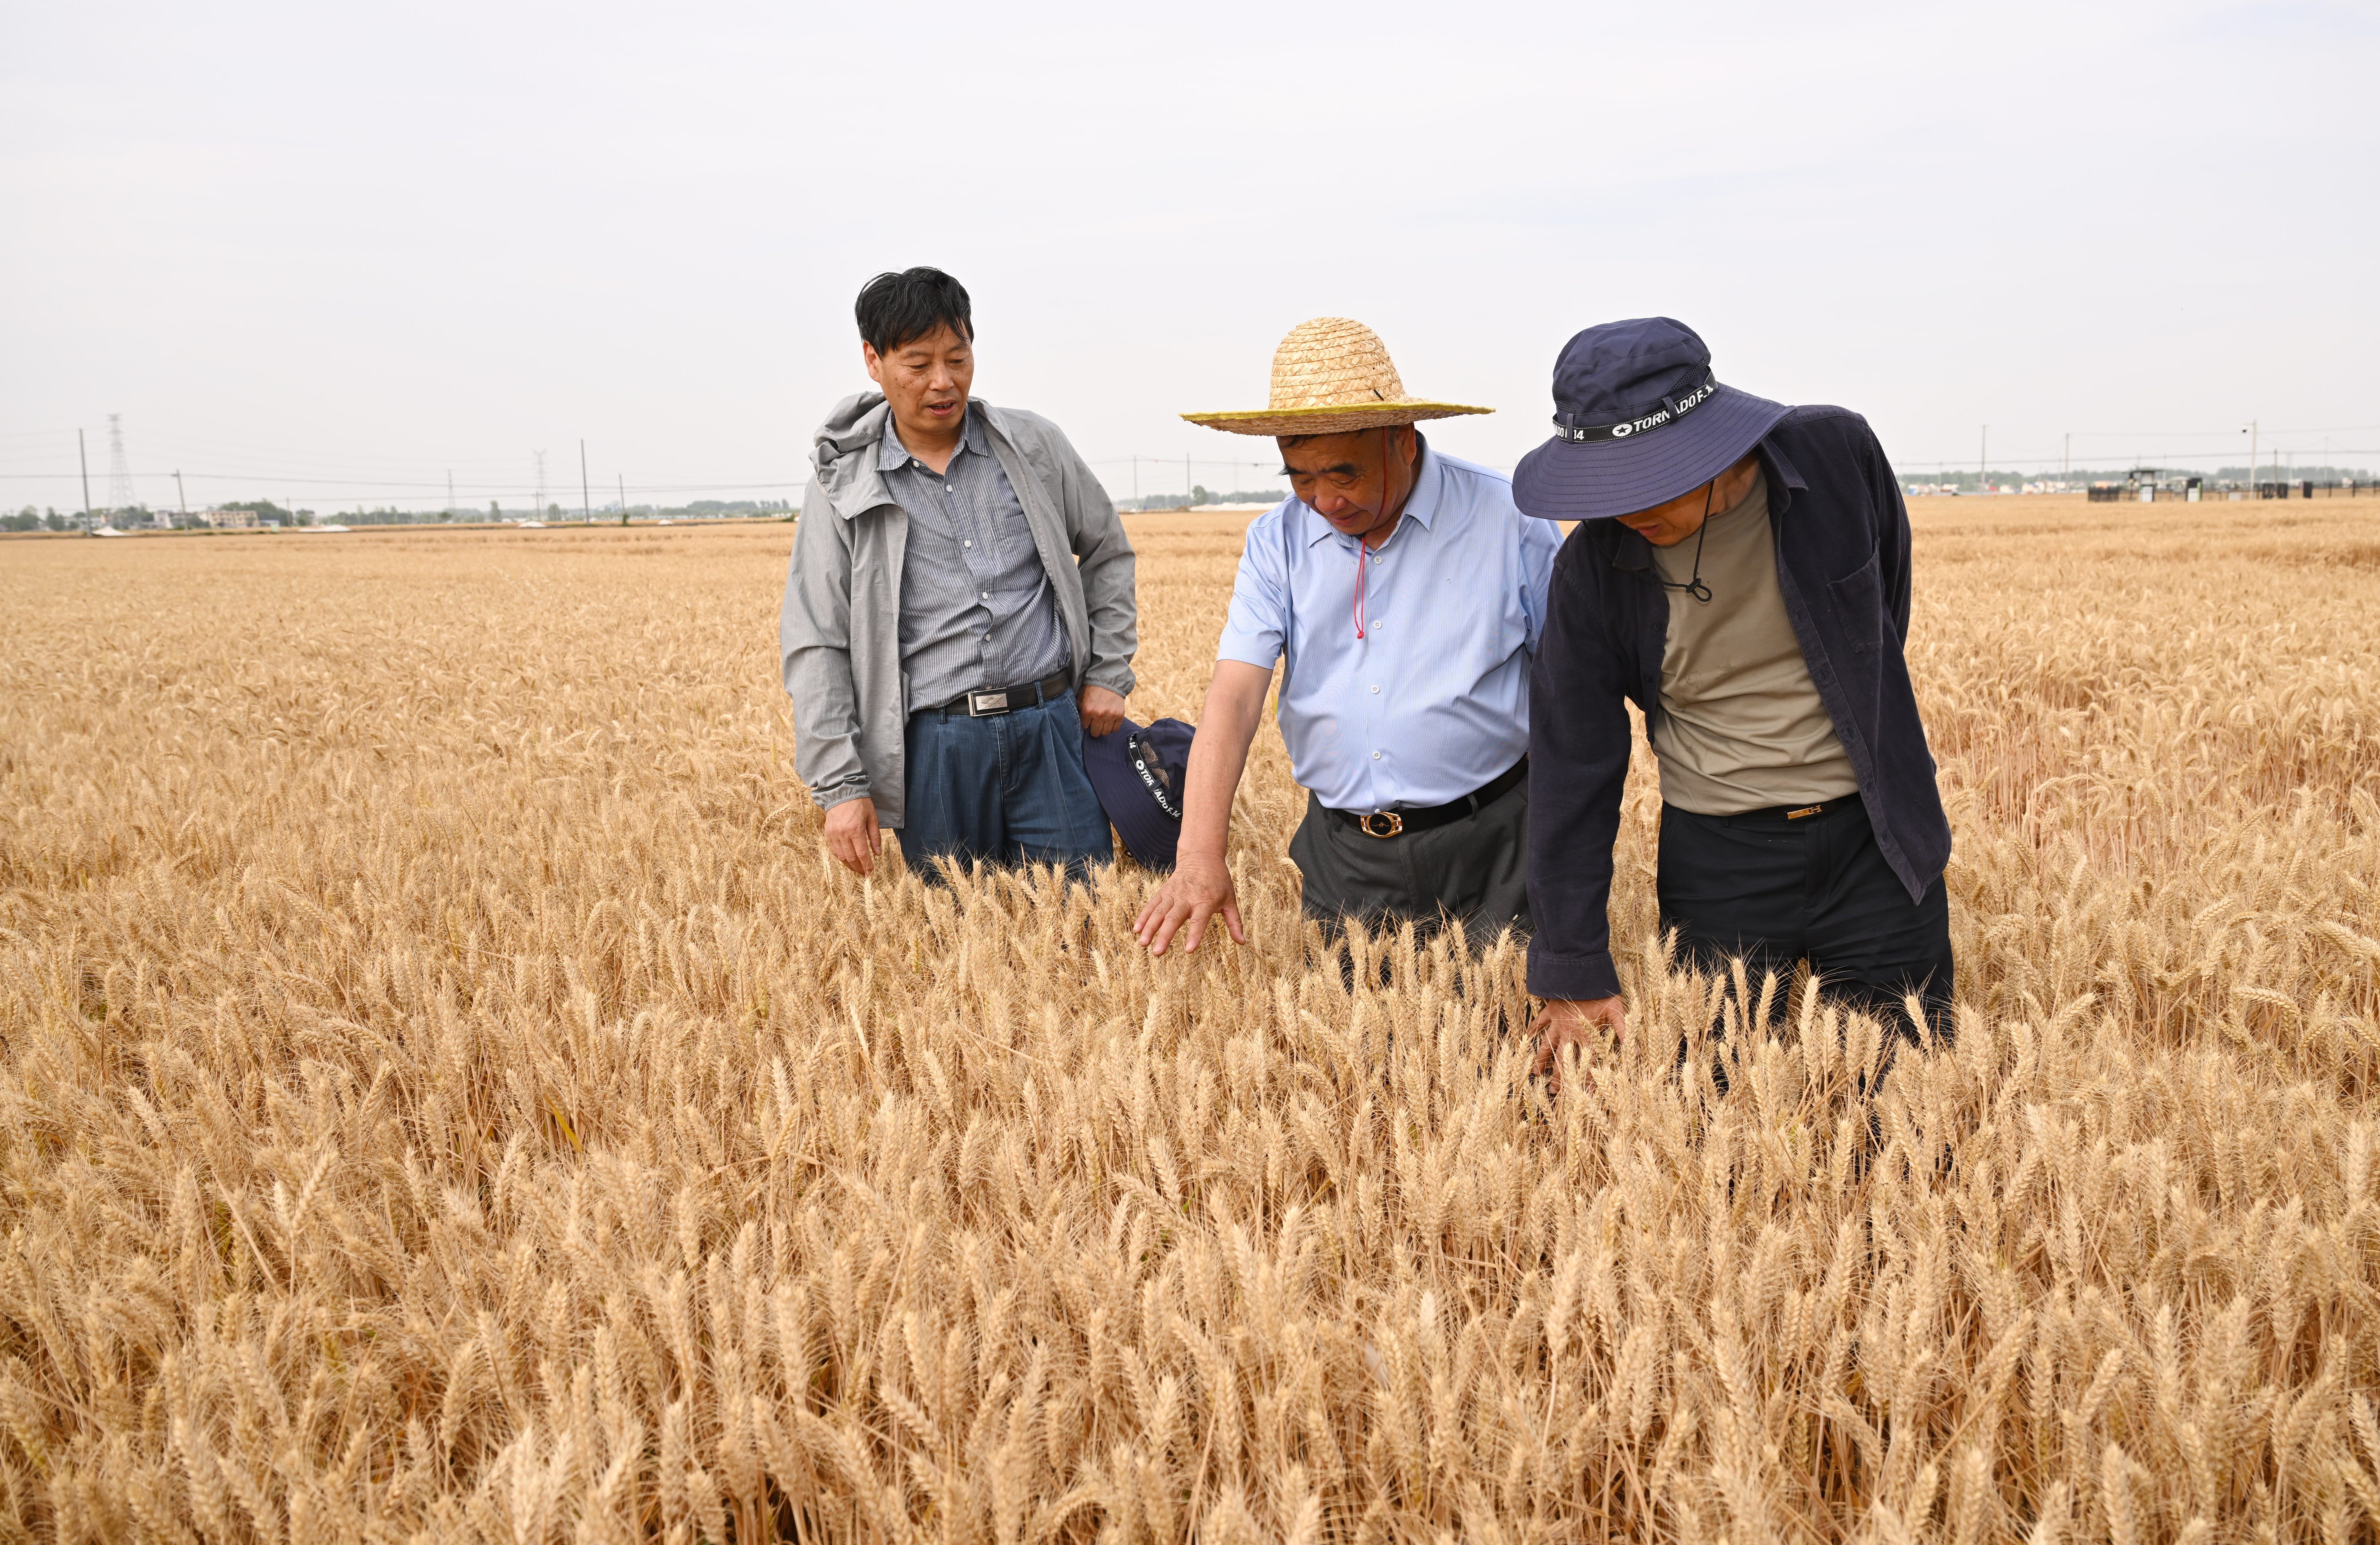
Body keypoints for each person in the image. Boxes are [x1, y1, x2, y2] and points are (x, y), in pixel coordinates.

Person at [1516, 317, 1955, 1085]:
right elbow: (1571, 765)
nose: (1626, 507)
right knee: (1715, 1110)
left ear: (1712, 443)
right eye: (1606, 484)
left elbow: (1882, 610)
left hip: (1875, 846)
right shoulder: (1593, 570)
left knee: (1908, 1103)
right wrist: (1572, 963)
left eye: (1648, 476)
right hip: (1720, 861)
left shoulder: (1839, 459)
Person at [1133, 317, 1560, 955]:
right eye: (1301, 477)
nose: (1325, 500)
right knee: (1359, 1049)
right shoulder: (1275, 542)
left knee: (1498, 1039)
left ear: (1405, 442)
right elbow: (1236, 696)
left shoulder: (1510, 519)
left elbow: (1571, 687)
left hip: (1495, 845)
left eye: (1345, 473)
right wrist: (1198, 853)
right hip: (1346, 857)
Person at [780, 267, 1138, 882]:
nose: (943, 382)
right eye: (918, 364)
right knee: (955, 947)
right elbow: (817, 637)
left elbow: (1107, 550)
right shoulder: (846, 482)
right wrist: (840, 785)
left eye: (958, 357)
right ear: (874, 360)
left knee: (1085, 926)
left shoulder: (1034, 448)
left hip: (1050, 725)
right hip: (937, 748)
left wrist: (1108, 671)